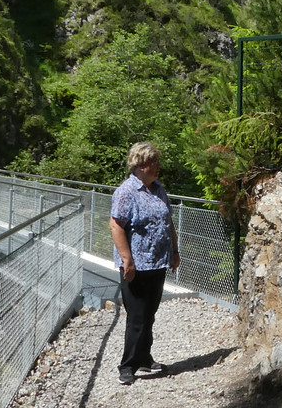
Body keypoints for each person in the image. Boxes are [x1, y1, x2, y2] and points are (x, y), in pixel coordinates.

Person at [109, 141, 181, 385]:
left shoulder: (158, 189)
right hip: (136, 266)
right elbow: (116, 225)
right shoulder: (126, 192)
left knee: (150, 313)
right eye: (154, 163)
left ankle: (144, 358)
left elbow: (167, 221)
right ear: (140, 165)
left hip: (158, 262)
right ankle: (127, 366)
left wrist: (175, 250)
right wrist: (127, 260)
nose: (158, 167)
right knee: (137, 317)